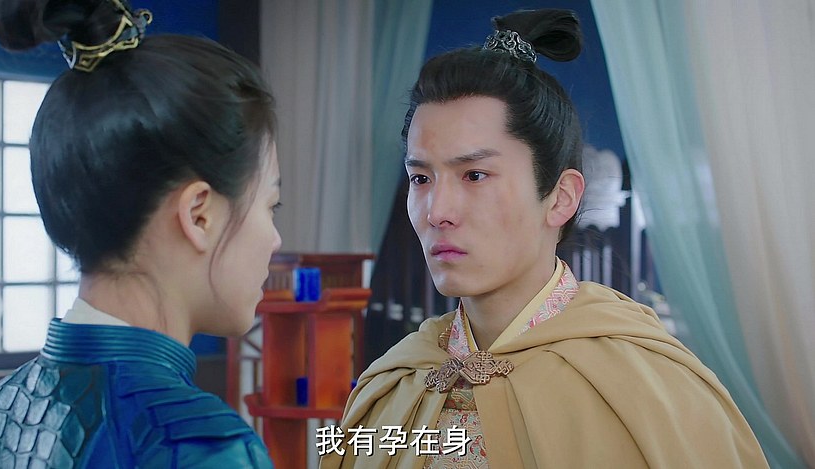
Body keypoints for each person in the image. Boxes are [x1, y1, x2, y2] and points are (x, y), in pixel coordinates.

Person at [321, 9, 768, 468]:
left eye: (474, 175)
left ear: (560, 197)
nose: (437, 212)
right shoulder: (394, 385)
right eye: (420, 179)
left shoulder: (656, 390)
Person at [0, 0, 279, 467]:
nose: (275, 239)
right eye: (270, 205)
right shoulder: (205, 445)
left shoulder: (2, 406)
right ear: (199, 214)